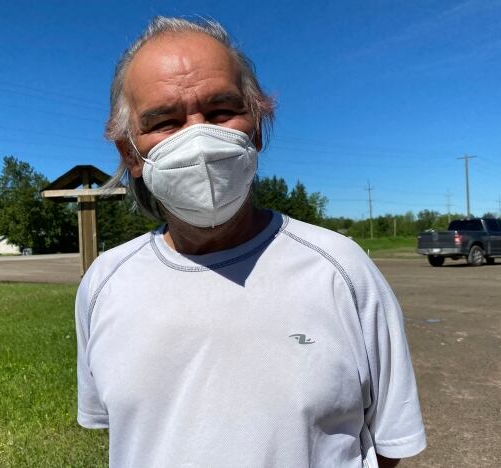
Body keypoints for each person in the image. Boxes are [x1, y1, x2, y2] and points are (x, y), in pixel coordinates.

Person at [76, 16, 426, 468]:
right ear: (131, 153)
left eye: (222, 112)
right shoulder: (105, 283)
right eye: (165, 120)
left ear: (257, 127)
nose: (198, 139)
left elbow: (388, 448)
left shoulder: (341, 269)